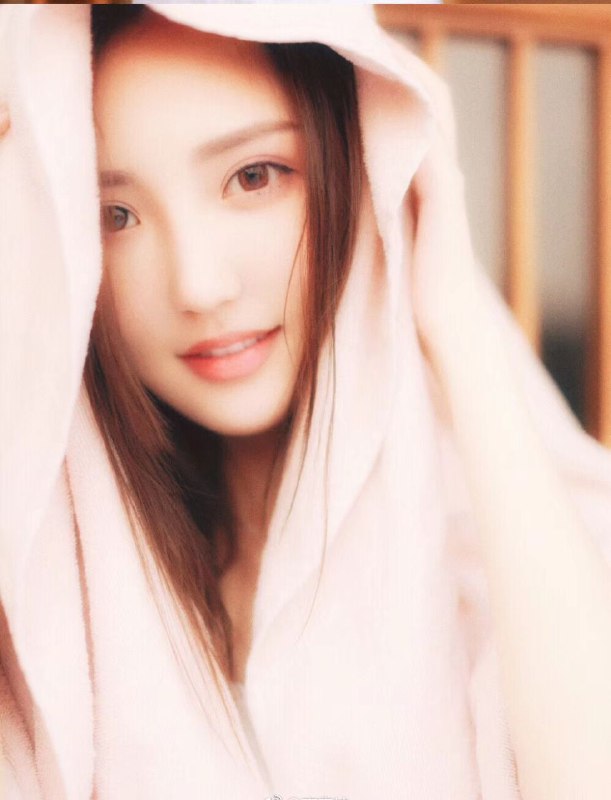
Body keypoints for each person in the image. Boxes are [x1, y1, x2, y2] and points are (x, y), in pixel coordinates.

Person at [1, 5, 611, 799]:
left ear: (362, 170)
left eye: (253, 176)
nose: (199, 285)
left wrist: (454, 317)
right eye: (112, 216)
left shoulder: (511, 537)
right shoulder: (50, 584)